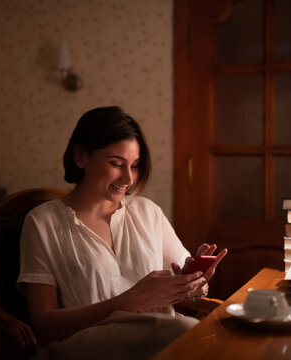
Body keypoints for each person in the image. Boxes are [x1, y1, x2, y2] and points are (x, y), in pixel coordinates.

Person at [17, 106, 227, 359]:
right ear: (81, 157)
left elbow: (190, 292)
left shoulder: (147, 212)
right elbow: (44, 324)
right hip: (87, 345)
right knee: (185, 332)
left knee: (205, 334)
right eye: (117, 163)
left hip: (162, 339)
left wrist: (194, 282)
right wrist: (126, 301)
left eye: (135, 166)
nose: (128, 177)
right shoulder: (42, 222)